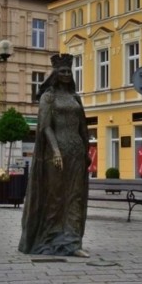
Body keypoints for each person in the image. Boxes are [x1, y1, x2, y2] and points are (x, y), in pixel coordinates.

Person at [18, 53, 90, 258]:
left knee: (75, 197)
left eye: (69, 71)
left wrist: (87, 150)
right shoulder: (48, 97)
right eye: (62, 71)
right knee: (55, 197)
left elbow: (83, 127)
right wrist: (56, 151)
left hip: (76, 152)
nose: (66, 74)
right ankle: (49, 239)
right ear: (55, 74)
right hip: (55, 154)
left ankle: (72, 242)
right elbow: (45, 127)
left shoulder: (76, 98)